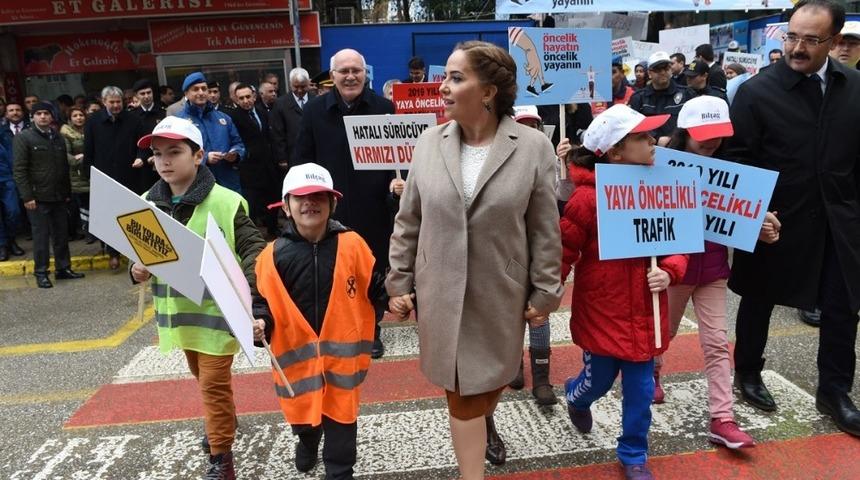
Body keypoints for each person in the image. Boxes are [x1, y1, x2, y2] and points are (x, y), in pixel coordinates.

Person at [387, 41, 563, 480]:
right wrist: (398, 282)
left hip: (500, 293)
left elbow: (545, 227)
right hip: (440, 291)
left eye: (456, 78)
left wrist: (546, 290)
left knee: (487, 384)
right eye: (446, 77)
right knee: (462, 394)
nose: (443, 87)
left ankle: (484, 432)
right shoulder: (428, 143)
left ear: (488, 92)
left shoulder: (533, 146)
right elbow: (408, 220)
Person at [726, 0, 860, 437]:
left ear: (835, 41)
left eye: (810, 40)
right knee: (759, 297)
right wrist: (752, 214)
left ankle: (835, 390)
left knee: (842, 307)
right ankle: (747, 371)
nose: (797, 48)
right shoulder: (756, 92)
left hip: (839, 221)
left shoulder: (854, 87)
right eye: (791, 36)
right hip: (774, 220)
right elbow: (738, 162)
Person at [131, 116, 266, 480]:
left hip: (219, 315)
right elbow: (140, 259)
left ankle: (221, 458)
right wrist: (136, 271)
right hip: (179, 317)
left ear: (199, 155)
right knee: (205, 381)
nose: (164, 161)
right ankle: (225, 419)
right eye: (158, 154)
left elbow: (254, 249)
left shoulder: (227, 201)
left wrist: (254, 301)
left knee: (212, 385)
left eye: (174, 152)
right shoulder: (144, 204)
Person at [559, 104, 687, 480]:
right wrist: (546, 294)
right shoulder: (587, 198)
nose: (653, 142)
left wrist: (669, 271)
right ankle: (575, 396)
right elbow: (564, 249)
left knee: (641, 392)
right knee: (595, 383)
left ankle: (633, 453)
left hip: (645, 312)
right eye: (642, 138)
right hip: (602, 311)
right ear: (615, 151)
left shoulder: (660, 187)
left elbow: (678, 242)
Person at [655, 96, 779, 449]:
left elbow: (742, 216)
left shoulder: (731, 172)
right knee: (662, 332)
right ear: (684, 131)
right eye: (702, 134)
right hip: (672, 270)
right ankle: (652, 372)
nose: (711, 141)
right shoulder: (657, 164)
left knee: (717, 343)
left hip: (712, 269)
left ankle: (722, 417)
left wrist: (762, 225)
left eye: (718, 134)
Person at [252, 162, 386, 479]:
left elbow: (375, 286)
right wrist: (260, 321)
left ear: (332, 203)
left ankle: (340, 471)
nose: (310, 203)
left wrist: (397, 296)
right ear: (285, 206)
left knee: (341, 424)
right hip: (297, 368)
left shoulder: (353, 245)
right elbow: (262, 300)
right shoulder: (272, 256)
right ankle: (308, 440)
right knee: (305, 418)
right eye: (300, 197)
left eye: (319, 196)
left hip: (342, 365)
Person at [295, 48, 395, 360]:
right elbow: (302, 159)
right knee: (333, 270)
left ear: (366, 74)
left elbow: (399, 158)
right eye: (344, 71)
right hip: (330, 208)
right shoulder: (313, 111)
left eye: (356, 70)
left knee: (371, 269)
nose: (350, 76)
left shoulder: (384, 108)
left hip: (374, 206)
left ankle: (371, 329)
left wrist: (397, 183)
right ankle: (338, 327)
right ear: (332, 75)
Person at [13, 102, 85, 288]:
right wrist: (27, 196)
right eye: (39, 114)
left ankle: (63, 269)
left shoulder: (57, 137)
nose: (43, 117)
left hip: (59, 195)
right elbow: (19, 170)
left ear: (51, 116)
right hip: (37, 198)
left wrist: (67, 192)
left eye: (46, 113)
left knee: (61, 235)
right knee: (41, 237)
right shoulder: (24, 138)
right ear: (33, 117)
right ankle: (41, 272)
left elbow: (63, 166)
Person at [84, 85, 148, 269]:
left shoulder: (134, 120)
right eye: (111, 102)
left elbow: (142, 145)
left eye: (118, 102)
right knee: (110, 218)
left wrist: (140, 157)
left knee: (133, 216)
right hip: (104, 177)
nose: (115, 105)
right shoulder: (93, 121)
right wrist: (91, 174)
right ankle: (113, 253)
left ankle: (136, 252)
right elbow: (89, 150)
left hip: (130, 175)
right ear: (104, 102)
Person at [175, 72, 246, 194]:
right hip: (198, 183)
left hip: (228, 182)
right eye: (196, 89)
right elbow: (178, 153)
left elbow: (239, 144)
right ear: (186, 94)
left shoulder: (224, 118)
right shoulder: (180, 121)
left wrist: (235, 154)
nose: (201, 92)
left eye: (204, 89)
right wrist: (205, 158)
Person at [227, 83, 279, 237]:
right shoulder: (234, 117)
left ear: (254, 97)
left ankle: (273, 229)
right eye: (241, 98)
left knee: (272, 199)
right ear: (236, 100)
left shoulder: (263, 113)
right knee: (251, 204)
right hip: (249, 168)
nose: (245, 101)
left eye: (248, 97)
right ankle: (251, 235)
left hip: (268, 165)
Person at [628, 52, 692, 145]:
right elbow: (633, 125)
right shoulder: (638, 97)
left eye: (666, 68)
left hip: (678, 149)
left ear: (670, 70)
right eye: (657, 69)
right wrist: (656, 138)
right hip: (648, 149)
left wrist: (674, 138)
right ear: (649, 73)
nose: (662, 72)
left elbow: (691, 122)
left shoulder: (686, 94)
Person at [270, 67, 315, 172]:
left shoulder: (316, 100)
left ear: (308, 83)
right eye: (296, 86)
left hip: (313, 155)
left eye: (303, 86)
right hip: (292, 155)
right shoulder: (280, 103)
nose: (299, 90)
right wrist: (282, 158)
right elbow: (278, 134)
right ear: (290, 84)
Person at [59, 106, 90, 242]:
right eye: (75, 116)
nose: (79, 118)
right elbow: (66, 156)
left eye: (81, 115)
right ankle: (88, 232)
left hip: (92, 172)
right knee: (83, 205)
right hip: (77, 175)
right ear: (70, 119)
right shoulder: (66, 133)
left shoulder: (90, 129)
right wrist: (84, 157)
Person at [130, 78, 166, 192]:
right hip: (141, 166)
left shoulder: (163, 113)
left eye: (149, 92)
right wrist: (142, 158)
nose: (146, 96)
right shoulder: (132, 116)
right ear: (136, 96)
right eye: (142, 93)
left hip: (163, 161)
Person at [0, 121, 23, 261]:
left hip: (7, 179)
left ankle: (11, 239)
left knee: (13, 211)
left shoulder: (4, 133)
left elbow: (13, 156)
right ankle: (2, 245)